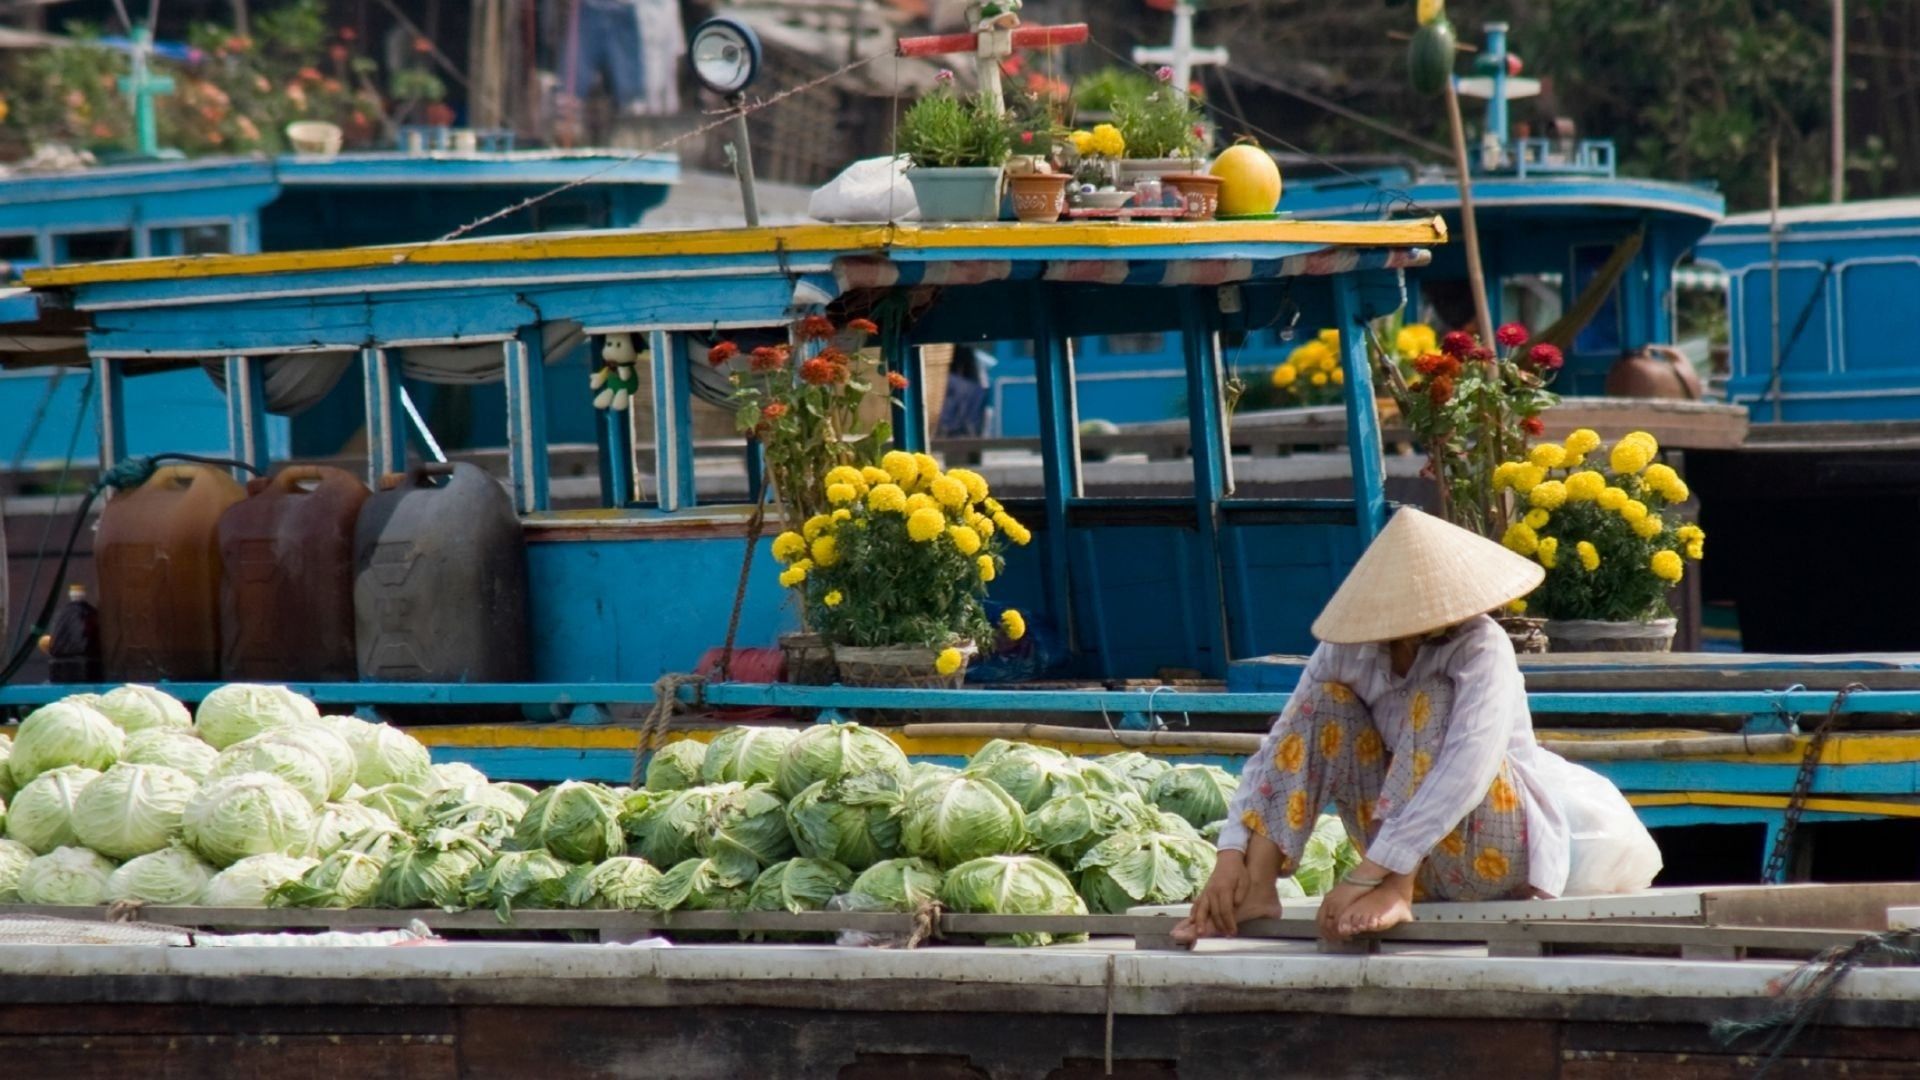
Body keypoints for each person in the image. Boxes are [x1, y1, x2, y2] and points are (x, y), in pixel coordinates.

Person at [1174, 507, 1661, 945]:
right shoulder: (1349, 646)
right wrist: (1230, 855)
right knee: (1324, 703)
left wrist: (1374, 872)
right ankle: (1258, 890)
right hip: (1390, 848)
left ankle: (1399, 890)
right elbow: (1280, 743)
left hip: (1486, 850)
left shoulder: (1480, 645)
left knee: (1431, 697)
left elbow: (1468, 769)